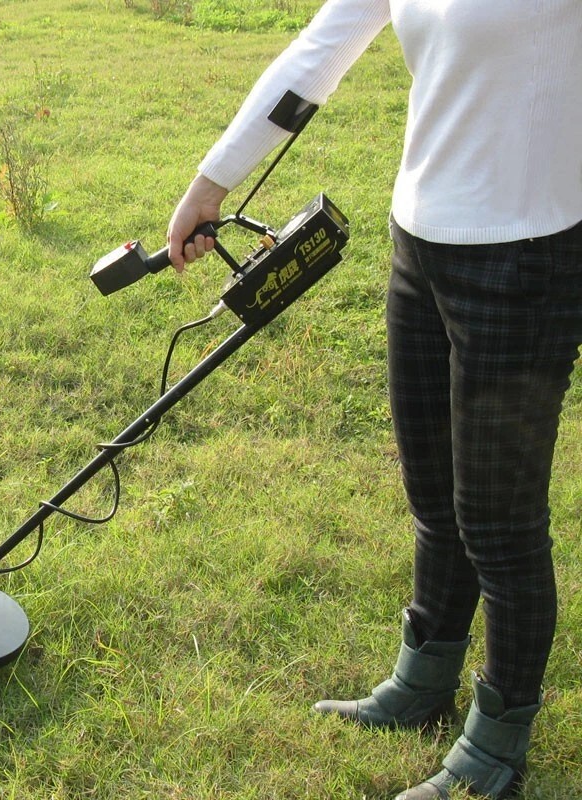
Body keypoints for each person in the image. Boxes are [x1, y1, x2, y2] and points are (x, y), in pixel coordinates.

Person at [165, 1, 582, 798]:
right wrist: (210, 182)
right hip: (419, 241)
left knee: (499, 521)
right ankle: (423, 682)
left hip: (527, 255)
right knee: (433, 496)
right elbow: (316, 53)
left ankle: (496, 747)